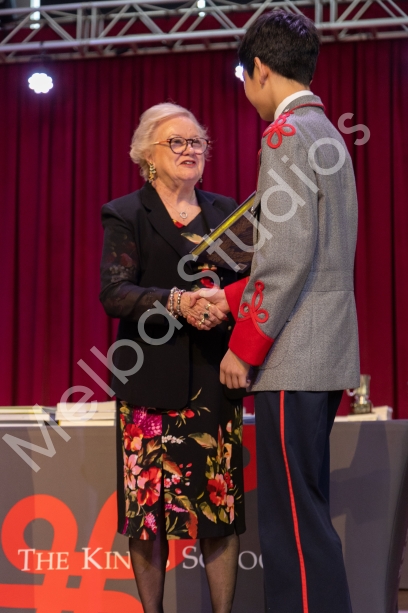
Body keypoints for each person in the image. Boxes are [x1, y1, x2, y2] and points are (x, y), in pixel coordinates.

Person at [200, 10, 360, 613]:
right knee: (304, 513)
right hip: (324, 347)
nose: (246, 90)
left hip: (294, 356)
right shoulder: (327, 132)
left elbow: (287, 257)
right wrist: (230, 297)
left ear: (260, 69)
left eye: (244, 76)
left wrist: (244, 348)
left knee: (291, 523)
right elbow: (310, 255)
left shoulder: (286, 134)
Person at [99, 102, 245, 613]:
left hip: (214, 377)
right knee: (147, 519)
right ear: (147, 155)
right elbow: (115, 293)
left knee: (218, 515)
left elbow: (251, 284)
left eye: (197, 141)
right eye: (176, 142)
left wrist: (227, 307)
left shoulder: (226, 210)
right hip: (147, 383)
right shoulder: (125, 213)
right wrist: (177, 302)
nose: (190, 150)